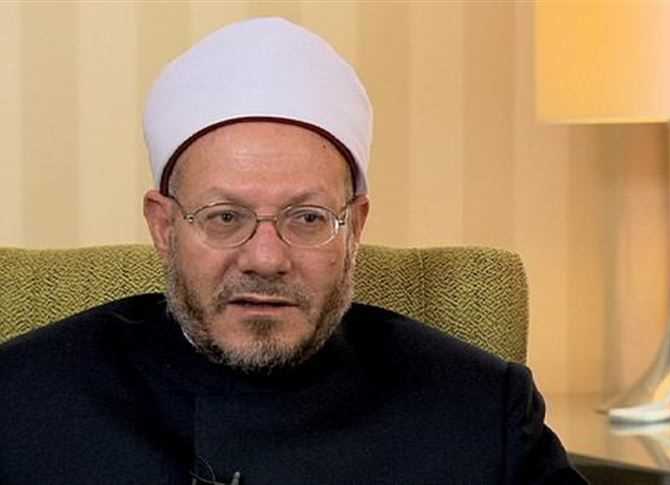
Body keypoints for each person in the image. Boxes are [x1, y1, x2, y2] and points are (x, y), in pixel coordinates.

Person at [0, 17, 586, 485]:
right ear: (163, 226)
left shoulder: (478, 410)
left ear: (355, 227)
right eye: (225, 217)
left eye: (307, 218)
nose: (265, 258)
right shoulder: (19, 399)